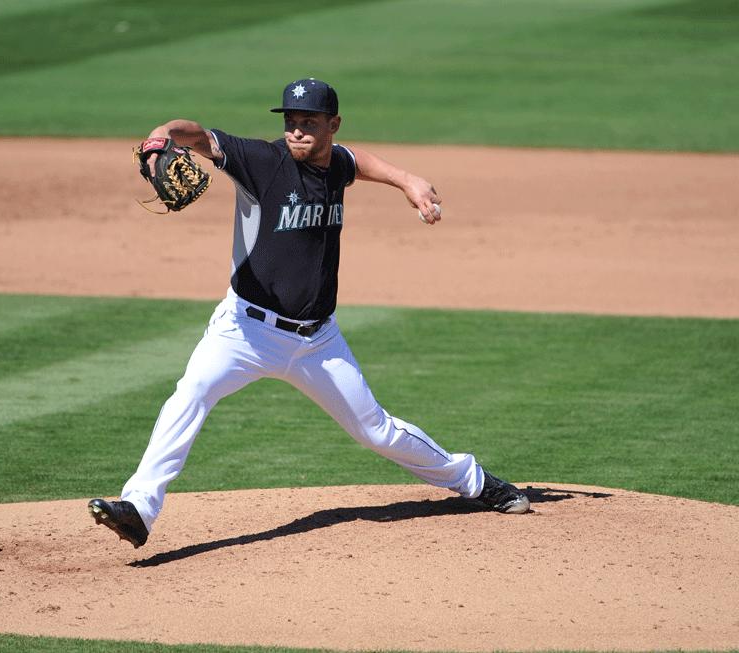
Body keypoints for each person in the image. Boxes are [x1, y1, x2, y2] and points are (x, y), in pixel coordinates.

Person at [89, 78, 529, 548]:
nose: (296, 131)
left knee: (375, 430)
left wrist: (407, 180)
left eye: (308, 123)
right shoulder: (262, 162)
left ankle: (474, 480)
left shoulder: (335, 162)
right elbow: (195, 135)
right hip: (244, 331)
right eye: (290, 122)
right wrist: (161, 137)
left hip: (318, 340)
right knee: (191, 393)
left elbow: (356, 161)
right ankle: (138, 507)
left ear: (332, 125)